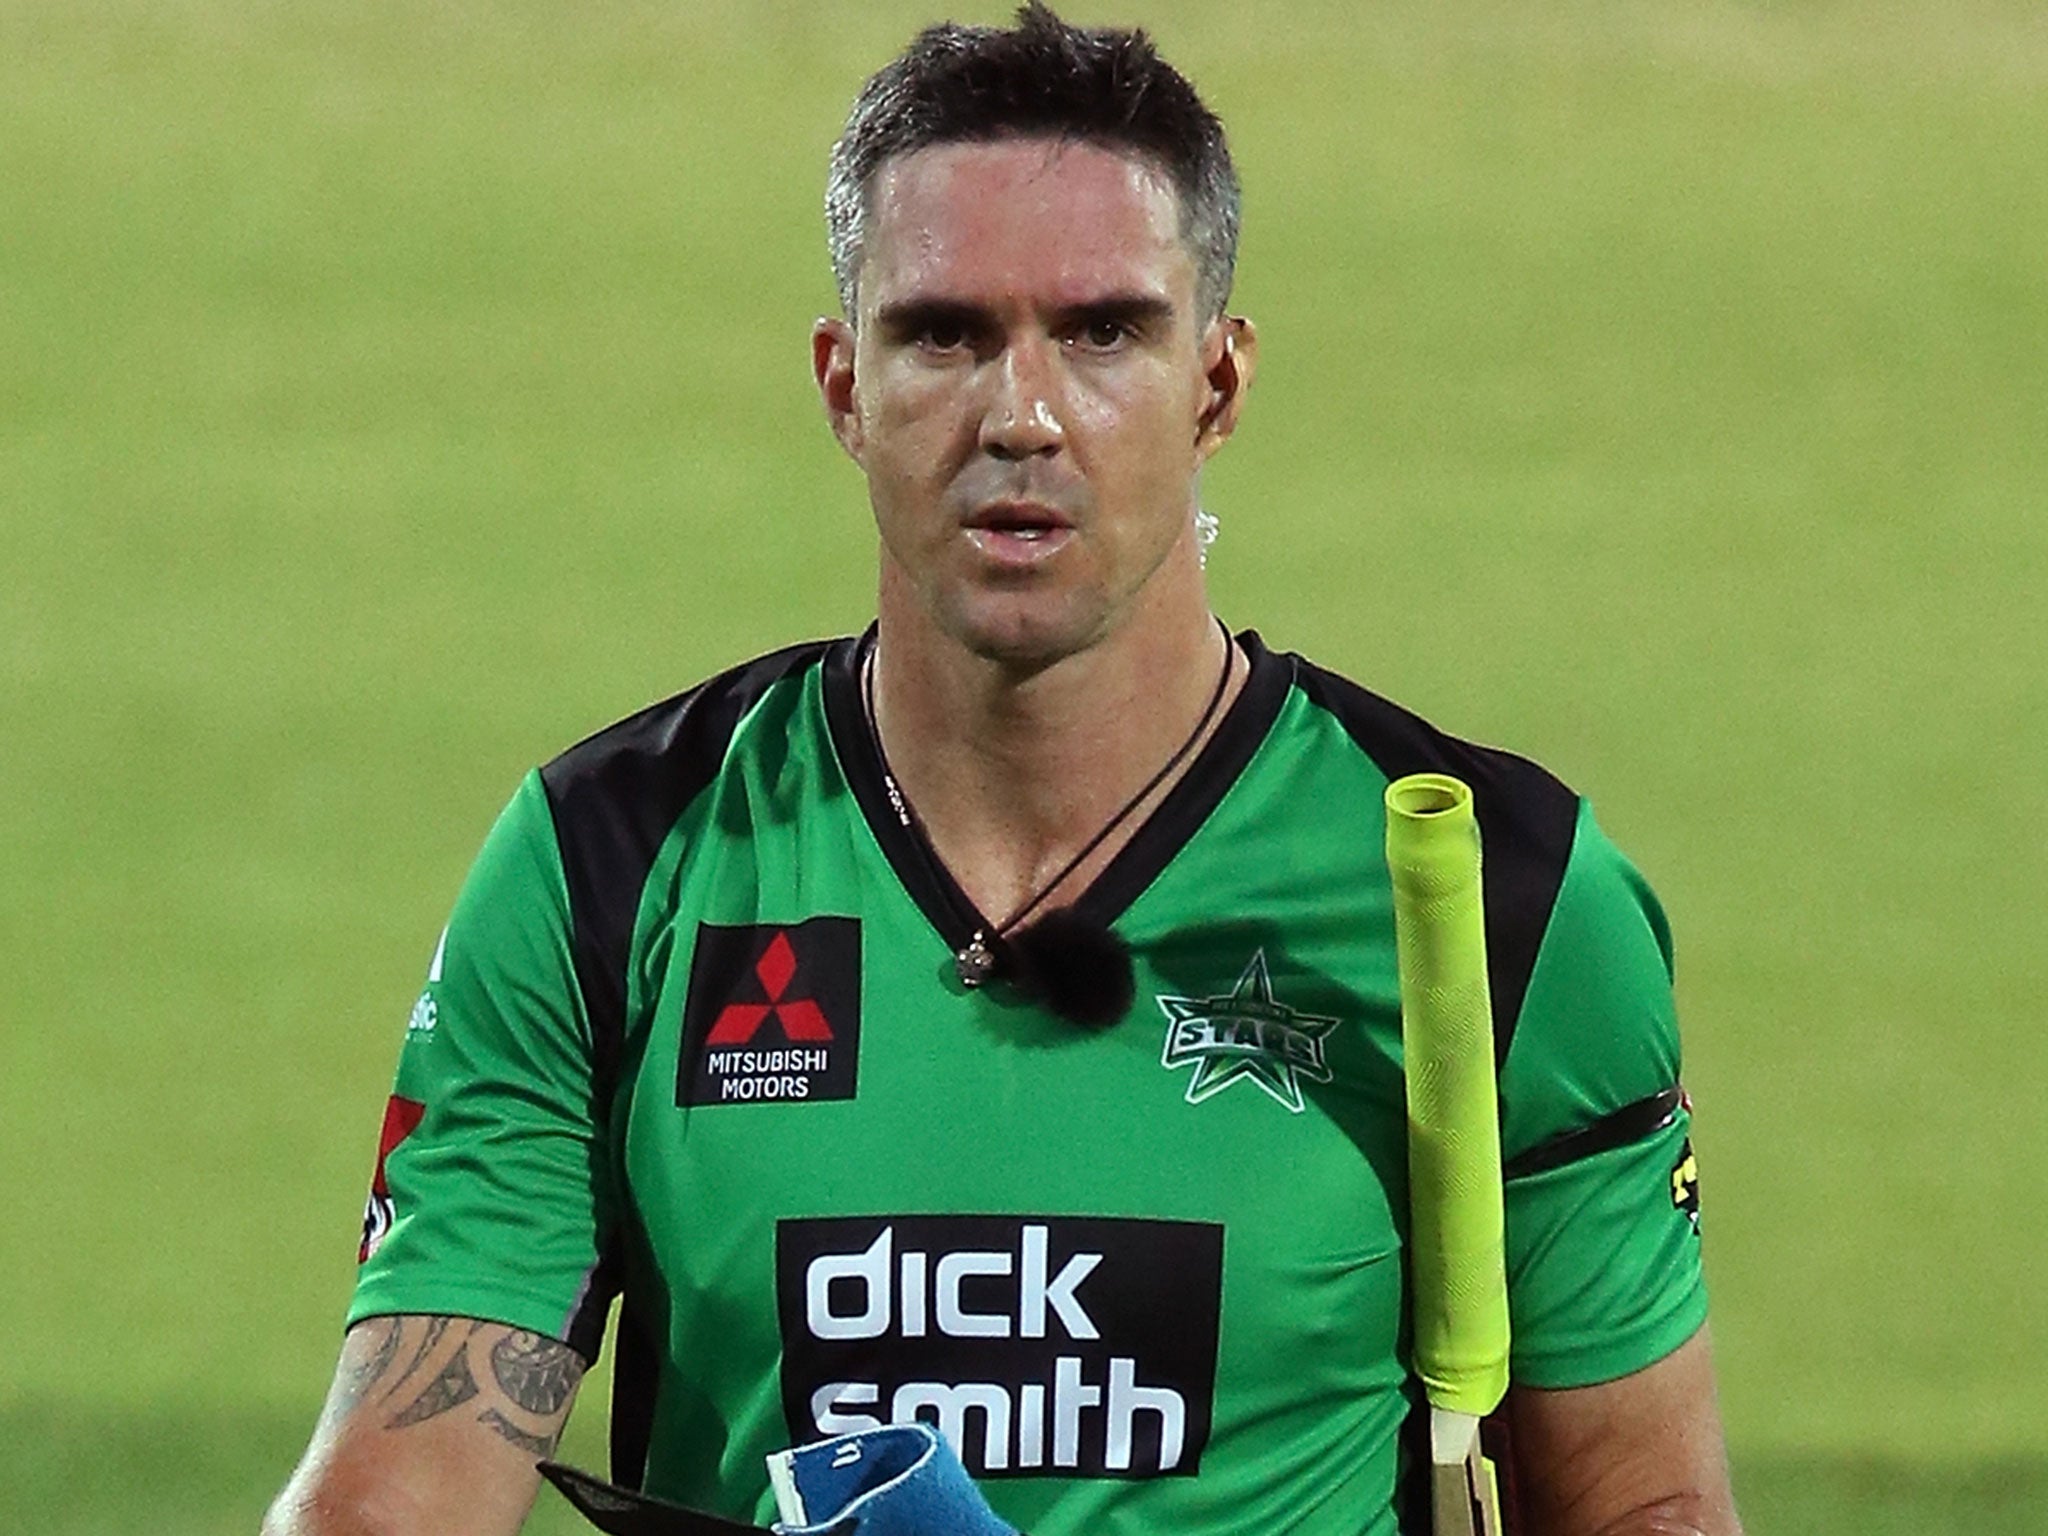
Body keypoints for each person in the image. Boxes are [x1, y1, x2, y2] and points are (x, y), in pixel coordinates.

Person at [264, 6, 1741, 1534]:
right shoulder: (612, 865)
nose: (1021, 415)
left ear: (1217, 387)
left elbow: (1648, 1506)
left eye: (1103, 331)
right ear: (845, 386)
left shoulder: (1502, 895)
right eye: (945, 333)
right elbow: (388, 1501)